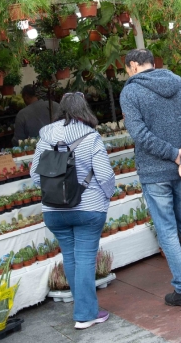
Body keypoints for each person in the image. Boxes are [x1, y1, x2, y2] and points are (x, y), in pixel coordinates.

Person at [119, 49, 181, 308]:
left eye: (127, 69)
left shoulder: (130, 92)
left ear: (133, 66)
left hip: (154, 172)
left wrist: (175, 155)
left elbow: (139, 133)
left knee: (167, 230)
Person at [30, 92, 115, 329]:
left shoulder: (45, 137)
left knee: (70, 256)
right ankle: (86, 314)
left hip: (54, 211)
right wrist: (107, 195)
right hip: (88, 209)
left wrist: (54, 191)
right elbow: (105, 174)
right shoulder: (91, 136)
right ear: (83, 109)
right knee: (86, 258)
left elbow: (35, 176)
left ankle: (83, 309)